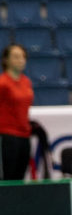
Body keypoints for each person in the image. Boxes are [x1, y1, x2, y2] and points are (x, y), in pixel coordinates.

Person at [0, 44, 34, 181]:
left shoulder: (26, 82)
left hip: (24, 135)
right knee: (7, 176)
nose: (21, 60)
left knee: (20, 177)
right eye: (16, 57)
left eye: (23, 57)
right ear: (6, 60)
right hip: (7, 136)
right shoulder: (2, 83)